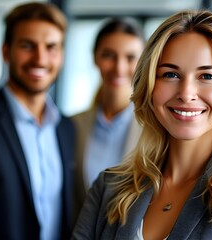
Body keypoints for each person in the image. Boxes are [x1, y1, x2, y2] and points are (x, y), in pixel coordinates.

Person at [72, 10, 212, 239]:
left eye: (207, 76)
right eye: (170, 74)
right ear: (150, 87)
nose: (186, 93)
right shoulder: (108, 188)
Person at [0, 2, 74, 239]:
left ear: (61, 55)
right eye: (27, 46)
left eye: (51, 47)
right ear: (5, 51)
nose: (40, 58)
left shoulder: (66, 128)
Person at [72, 17, 144, 221]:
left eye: (130, 57)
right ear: (95, 58)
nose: (119, 67)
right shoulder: (71, 125)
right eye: (108, 55)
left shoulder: (155, 129)